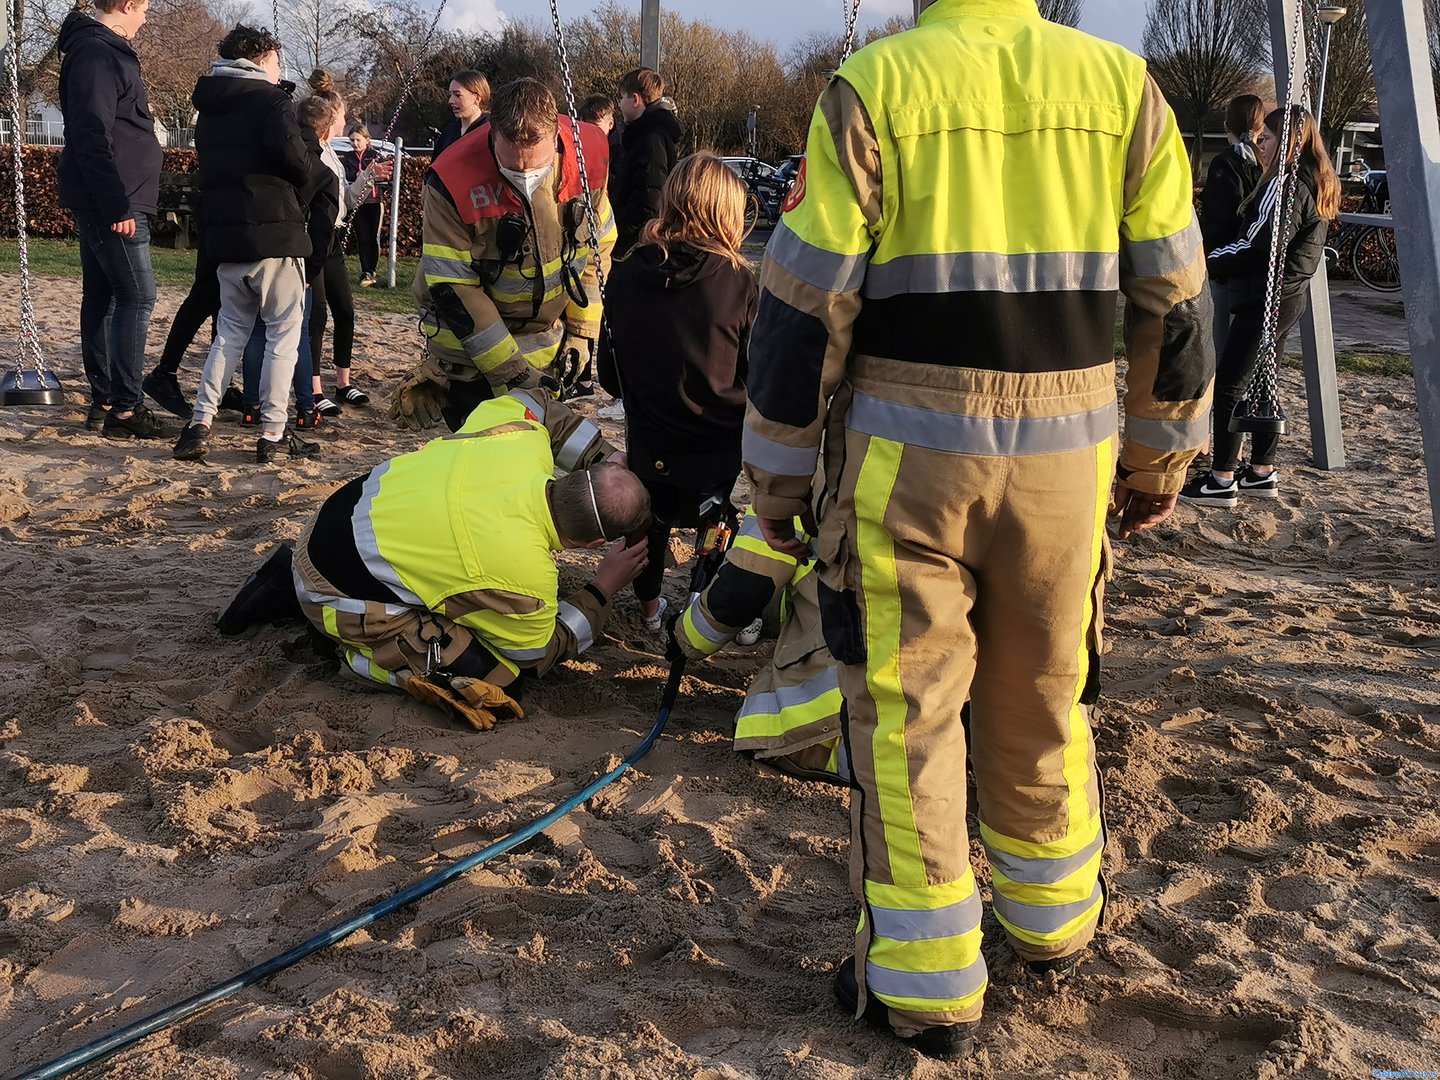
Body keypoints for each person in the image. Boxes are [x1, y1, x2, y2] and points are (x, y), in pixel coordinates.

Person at [742, 0, 1213, 1058]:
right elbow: (1175, 297)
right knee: (1047, 685)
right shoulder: (1122, 90)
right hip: (1070, 458)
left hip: (908, 461)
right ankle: (1052, 925)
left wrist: (773, 476)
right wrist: (1160, 455)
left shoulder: (874, 87)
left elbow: (804, 304)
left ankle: (925, 984)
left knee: (907, 716)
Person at [216, 390, 652, 728]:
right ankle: (348, 651)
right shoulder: (526, 579)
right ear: (595, 544)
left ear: (575, 476)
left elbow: (529, 400)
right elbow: (538, 652)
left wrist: (604, 456)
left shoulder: (520, 438)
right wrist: (602, 588)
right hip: (331, 593)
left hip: (329, 521)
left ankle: (289, 581)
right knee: (497, 678)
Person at [390, 78, 615, 433]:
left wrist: (582, 329)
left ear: (555, 135)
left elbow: (597, 247)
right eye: (512, 168)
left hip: (547, 345)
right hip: (470, 354)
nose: (525, 176)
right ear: (492, 132)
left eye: (536, 168)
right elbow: (453, 286)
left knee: (539, 450)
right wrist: (513, 373)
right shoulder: (451, 180)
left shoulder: (587, 156)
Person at [597, 152, 757, 632]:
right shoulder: (738, 281)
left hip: (650, 436)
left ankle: (649, 611)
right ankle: (700, 605)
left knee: (650, 518)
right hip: (717, 440)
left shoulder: (625, 272)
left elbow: (608, 373)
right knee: (715, 518)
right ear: (727, 212)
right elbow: (757, 369)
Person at [171, 24, 315, 464]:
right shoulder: (272, 100)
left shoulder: (210, 105)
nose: (280, 68)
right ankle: (273, 432)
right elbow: (295, 160)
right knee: (282, 337)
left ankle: (199, 423)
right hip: (274, 233)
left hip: (227, 235)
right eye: (276, 59)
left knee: (228, 336)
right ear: (261, 58)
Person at [1182, 105, 1339, 509]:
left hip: (1269, 294)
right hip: (1290, 294)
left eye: (1265, 138)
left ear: (1287, 141)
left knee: (1232, 380)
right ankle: (1262, 470)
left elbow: (1259, 245)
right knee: (1263, 379)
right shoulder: (1315, 178)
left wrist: (1205, 260)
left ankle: (1221, 478)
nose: (1258, 144)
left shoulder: (1287, 184)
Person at [669, 504, 846, 782]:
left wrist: (684, 636)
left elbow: (744, 590)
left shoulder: (804, 467)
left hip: (843, 735)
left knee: (758, 721)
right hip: (935, 731)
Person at [56, 0, 167, 439]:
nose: (145, 17)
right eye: (144, 8)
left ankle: (106, 399)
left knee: (104, 295)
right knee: (137, 296)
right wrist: (116, 204)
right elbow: (89, 134)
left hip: (119, 195)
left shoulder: (102, 50)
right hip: (116, 200)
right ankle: (125, 406)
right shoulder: (97, 54)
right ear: (126, 5)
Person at [305, 70, 391, 416]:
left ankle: (342, 383)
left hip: (335, 238)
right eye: (342, 115)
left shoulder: (333, 157)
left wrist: (369, 176)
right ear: (330, 117)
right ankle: (313, 388)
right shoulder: (315, 153)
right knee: (317, 314)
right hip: (316, 239)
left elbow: (346, 200)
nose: (346, 121)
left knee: (346, 311)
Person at [1200, 95, 1265, 367]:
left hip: (1226, 264)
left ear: (1227, 125)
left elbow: (1218, 219)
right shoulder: (1267, 164)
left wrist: (1209, 259)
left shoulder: (1225, 164)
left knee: (1221, 345)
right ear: (1261, 128)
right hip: (1259, 265)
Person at [612, 68, 681, 258]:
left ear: (635, 100)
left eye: (621, 97)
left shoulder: (651, 139)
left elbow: (649, 198)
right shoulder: (644, 135)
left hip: (636, 244)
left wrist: (619, 231)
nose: (619, 104)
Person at [340, 123, 387, 288]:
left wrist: (374, 175)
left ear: (367, 140)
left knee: (373, 237)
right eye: (352, 140)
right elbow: (345, 175)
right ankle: (364, 270)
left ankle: (371, 270)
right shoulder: (348, 158)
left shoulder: (376, 156)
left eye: (358, 140)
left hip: (373, 202)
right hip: (357, 202)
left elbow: (385, 175)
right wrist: (357, 175)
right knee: (362, 237)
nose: (355, 143)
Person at [433, 69, 491, 158]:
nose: (451, 101)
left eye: (457, 95)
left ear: (477, 98)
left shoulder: (492, 132)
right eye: (451, 95)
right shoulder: (448, 133)